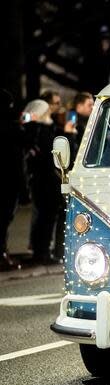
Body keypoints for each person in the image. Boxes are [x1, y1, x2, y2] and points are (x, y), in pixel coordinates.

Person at [22, 99, 65, 264]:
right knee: (47, 219)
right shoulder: (42, 130)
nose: (50, 114)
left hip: (39, 180)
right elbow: (52, 156)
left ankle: (41, 252)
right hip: (47, 180)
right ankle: (43, 253)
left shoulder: (29, 129)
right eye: (46, 111)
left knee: (44, 218)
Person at [0, 90, 28, 270]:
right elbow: (17, 159)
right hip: (8, 181)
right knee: (4, 220)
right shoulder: (11, 128)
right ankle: (2, 255)